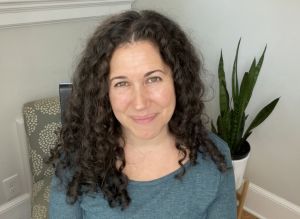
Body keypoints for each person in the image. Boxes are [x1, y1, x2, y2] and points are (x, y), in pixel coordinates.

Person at [48, 10, 236, 219]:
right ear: (104, 93)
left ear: (177, 81)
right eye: (121, 83)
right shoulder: (77, 161)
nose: (140, 103)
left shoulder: (215, 158)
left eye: (153, 79)